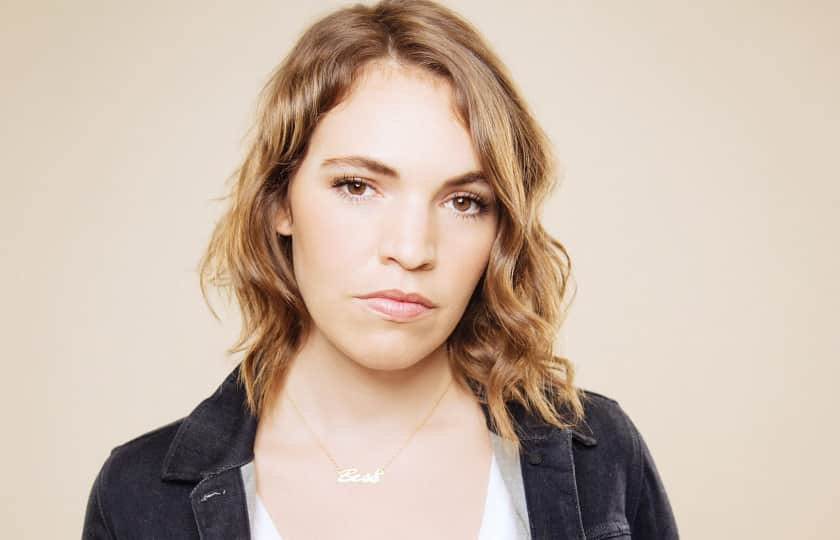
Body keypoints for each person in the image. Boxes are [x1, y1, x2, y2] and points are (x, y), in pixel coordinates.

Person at [82, 1, 679, 538]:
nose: (412, 249)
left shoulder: (597, 457)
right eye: (358, 186)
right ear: (280, 201)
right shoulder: (137, 497)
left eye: (464, 201)